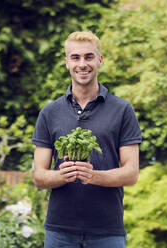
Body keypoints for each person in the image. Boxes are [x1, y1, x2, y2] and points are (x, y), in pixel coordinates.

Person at [32, 31, 142, 248]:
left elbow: (131, 173)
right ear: (66, 62)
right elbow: (39, 177)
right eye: (75, 57)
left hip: (107, 231)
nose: (82, 64)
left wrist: (93, 176)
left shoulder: (122, 109)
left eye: (88, 57)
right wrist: (64, 175)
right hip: (59, 231)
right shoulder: (49, 112)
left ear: (99, 60)